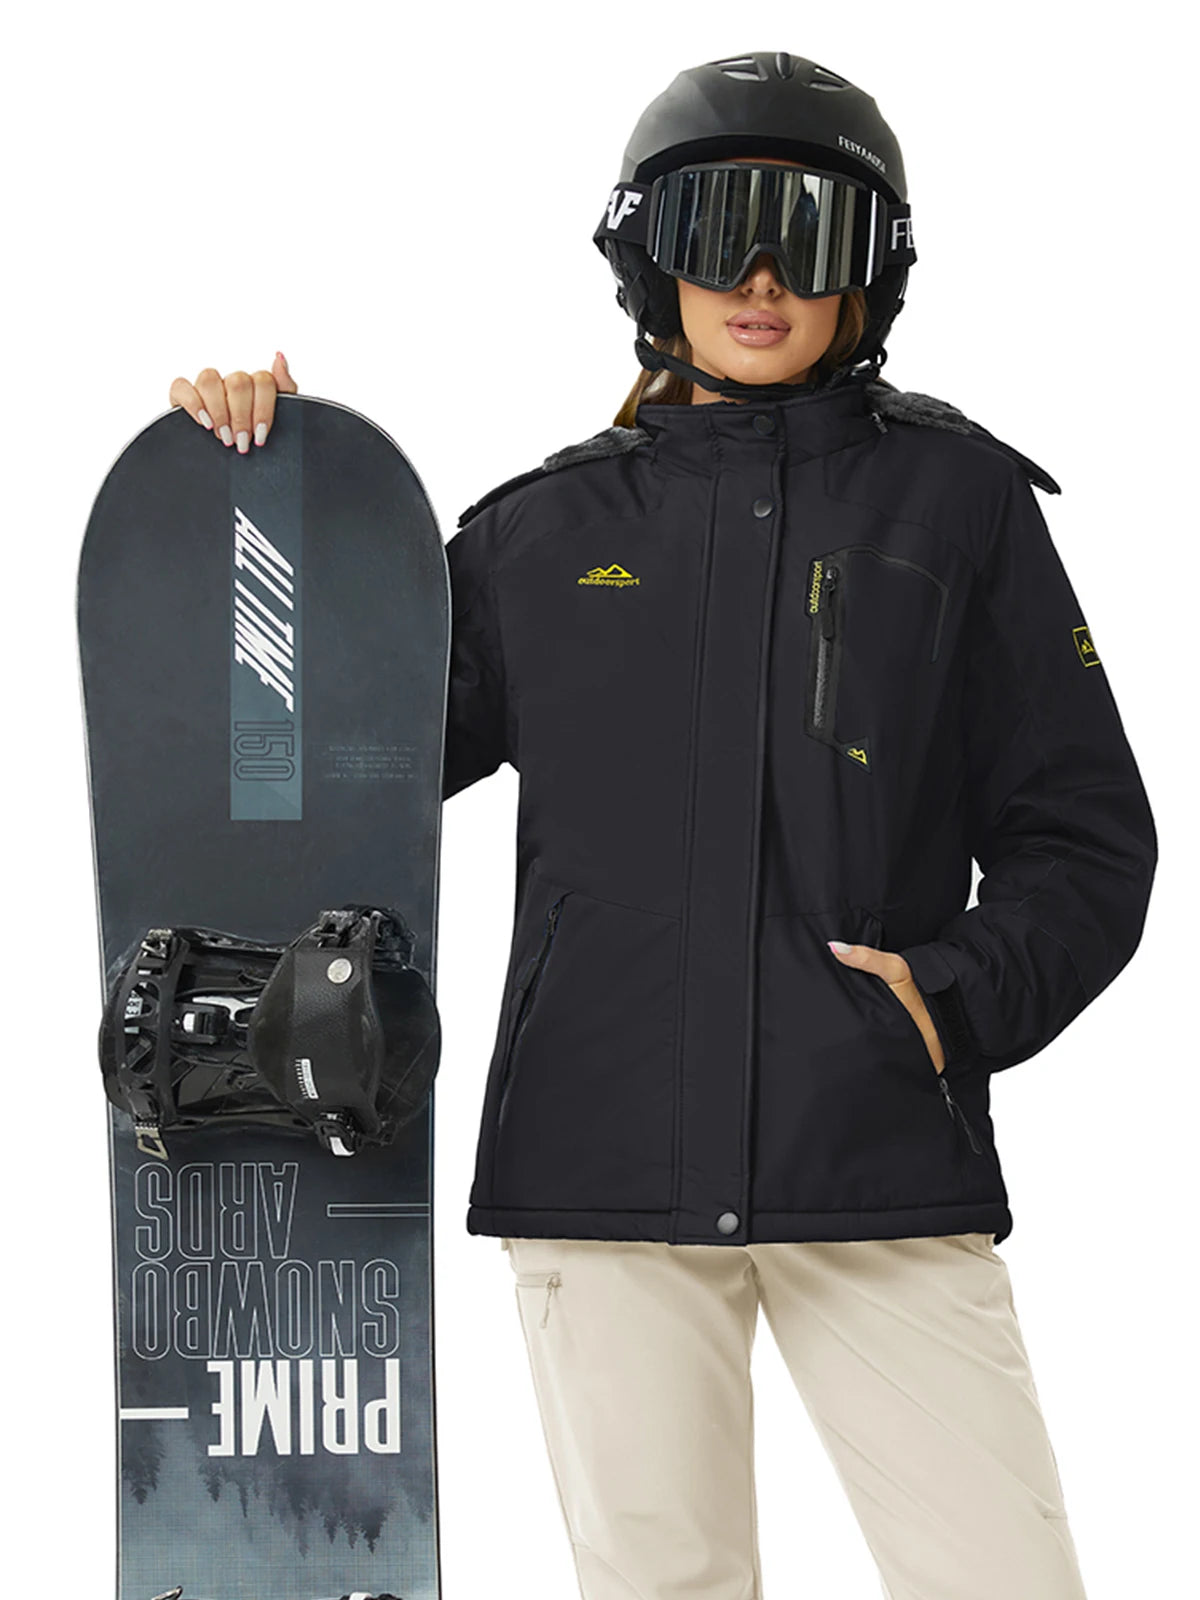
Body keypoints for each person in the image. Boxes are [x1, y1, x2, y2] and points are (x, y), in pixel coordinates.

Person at [167, 48, 1157, 1600]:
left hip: (872, 1156)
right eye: (717, 230)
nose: (761, 279)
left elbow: (1087, 833)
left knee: (1001, 1577)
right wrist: (270, 502)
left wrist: (948, 1000)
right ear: (650, 258)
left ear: (872, 272)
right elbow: (333, 765)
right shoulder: (539, 536)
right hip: (601, 1165)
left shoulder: (958, 510)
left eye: (808, 235)